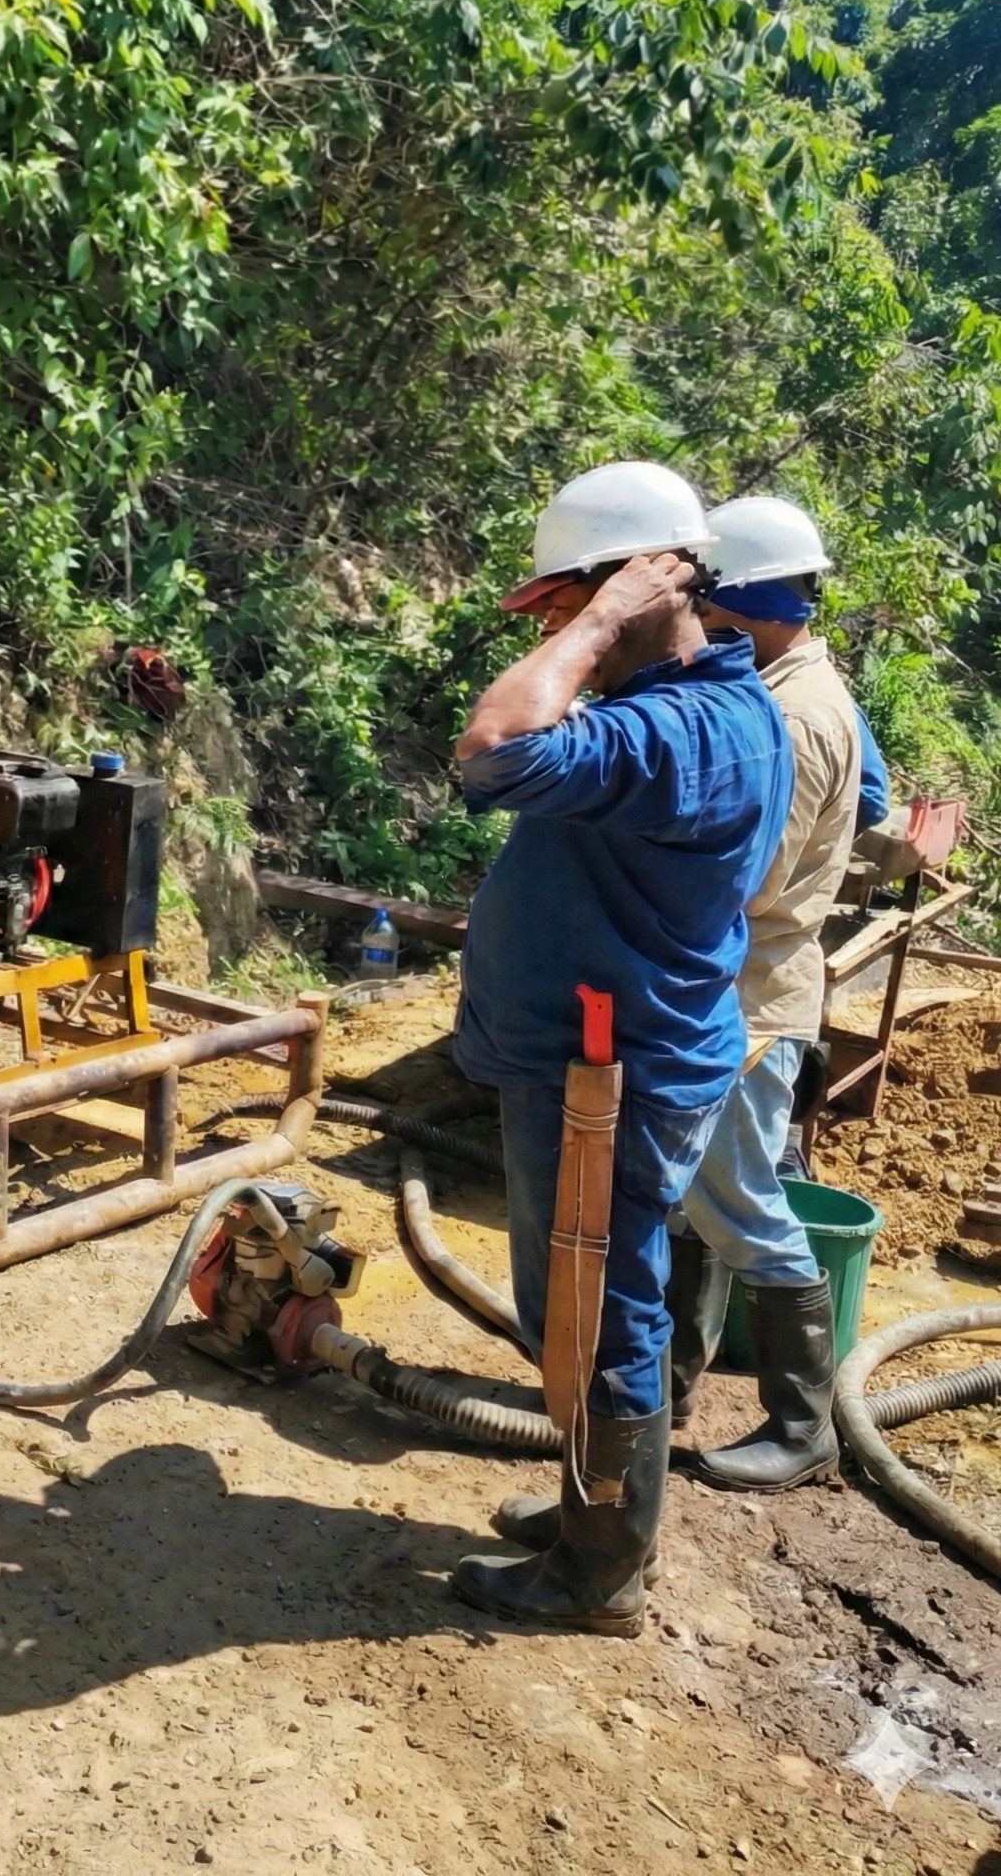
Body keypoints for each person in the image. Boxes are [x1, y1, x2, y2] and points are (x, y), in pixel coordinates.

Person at [446, 461, 793, 1635]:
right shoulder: (706, 708)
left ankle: (598, 1572)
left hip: (607, 1073)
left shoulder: (680, 732)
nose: (552, 628)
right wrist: (601, 618)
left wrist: (596, 622)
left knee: (594, 1310)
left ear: (638, 585)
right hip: (614, 1055)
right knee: (592, 1298)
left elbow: (493, 745)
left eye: (562, 602)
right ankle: (588, 1513)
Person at [661, 497, 861, 1491]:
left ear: (743, 603)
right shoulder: (786, 686)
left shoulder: (792, 716)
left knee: (738, 1199)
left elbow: (745, 878)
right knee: (688, 1200)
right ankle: (662, 1388)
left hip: (749, 998)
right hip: (734, 988)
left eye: (707, 603)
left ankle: (800, 1423)